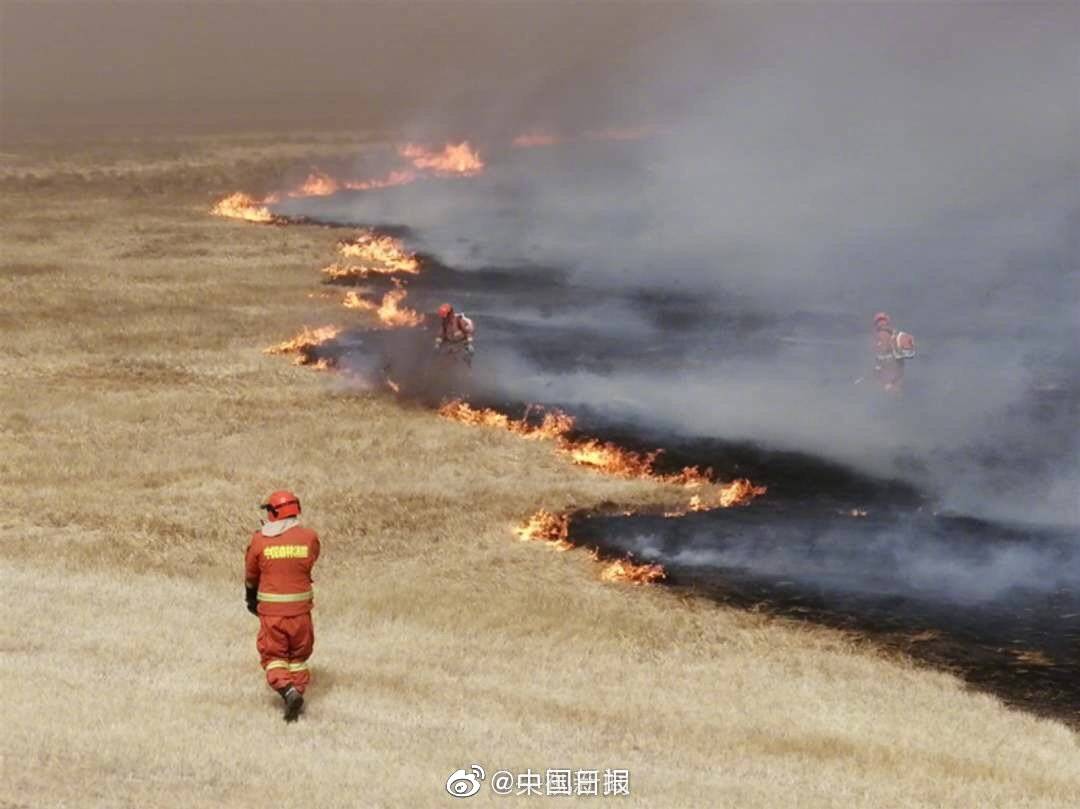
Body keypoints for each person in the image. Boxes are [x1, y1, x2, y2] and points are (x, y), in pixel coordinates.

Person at [245, 490, 320, 722]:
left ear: (274, 513)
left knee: (273, 656)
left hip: (273, 615)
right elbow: (311, 560)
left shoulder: (260, 540)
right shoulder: (309, 538)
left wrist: (250, 598)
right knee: (298, 657)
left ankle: (287, 692)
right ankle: (297, 692)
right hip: (301, 615)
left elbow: (251, 573)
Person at [873, 312, 916, 393]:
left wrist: (892, 383)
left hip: (893, 383)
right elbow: (879, 360)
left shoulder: (894, 340)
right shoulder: (882, 339)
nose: (881, 324)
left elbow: (900, 368)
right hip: (888, 381)